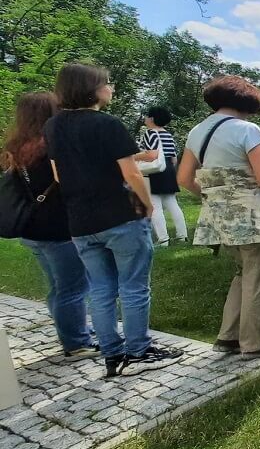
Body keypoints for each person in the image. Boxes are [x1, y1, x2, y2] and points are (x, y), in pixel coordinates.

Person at [44, 64, 183, 377]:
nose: (112, 88)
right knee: (133, 286)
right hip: (119, 216)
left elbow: (57, 174)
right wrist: (147, 205)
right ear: (91, 88)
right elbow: (131, 172)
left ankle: (111, 353)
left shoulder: (53, 126)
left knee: (101, 289)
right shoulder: (107, 124)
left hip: (80, 221)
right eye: (107, 83)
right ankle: (138, 350)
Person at [177, 76, 260, 358]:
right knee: (257, 276)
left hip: (218, 216)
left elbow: (184, 178)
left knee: (241, 272)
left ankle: (227, 337)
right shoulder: (247, 130)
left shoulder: (197, 131)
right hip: (250, 215)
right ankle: (253, 343)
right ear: (246, 102)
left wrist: (213, 195)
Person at [2, 92, 95, 357]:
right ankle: (76, 342)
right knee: (74, 287)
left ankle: (70, 331)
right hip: (59, 228)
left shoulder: (17, 147)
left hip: (32, 227)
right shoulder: (54, 146)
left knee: (57, 286)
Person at [138, 106, 188, 246]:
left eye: (147, 116)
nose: (145, 119)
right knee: (172, 204)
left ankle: (163, 239)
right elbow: (173, 158)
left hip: (155, 171)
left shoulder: (150, 133)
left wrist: (134, 158)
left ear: (152, 118)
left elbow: (151, 155)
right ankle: (182, 235)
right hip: (169, 170)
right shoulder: (168, 134)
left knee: (155, 205)